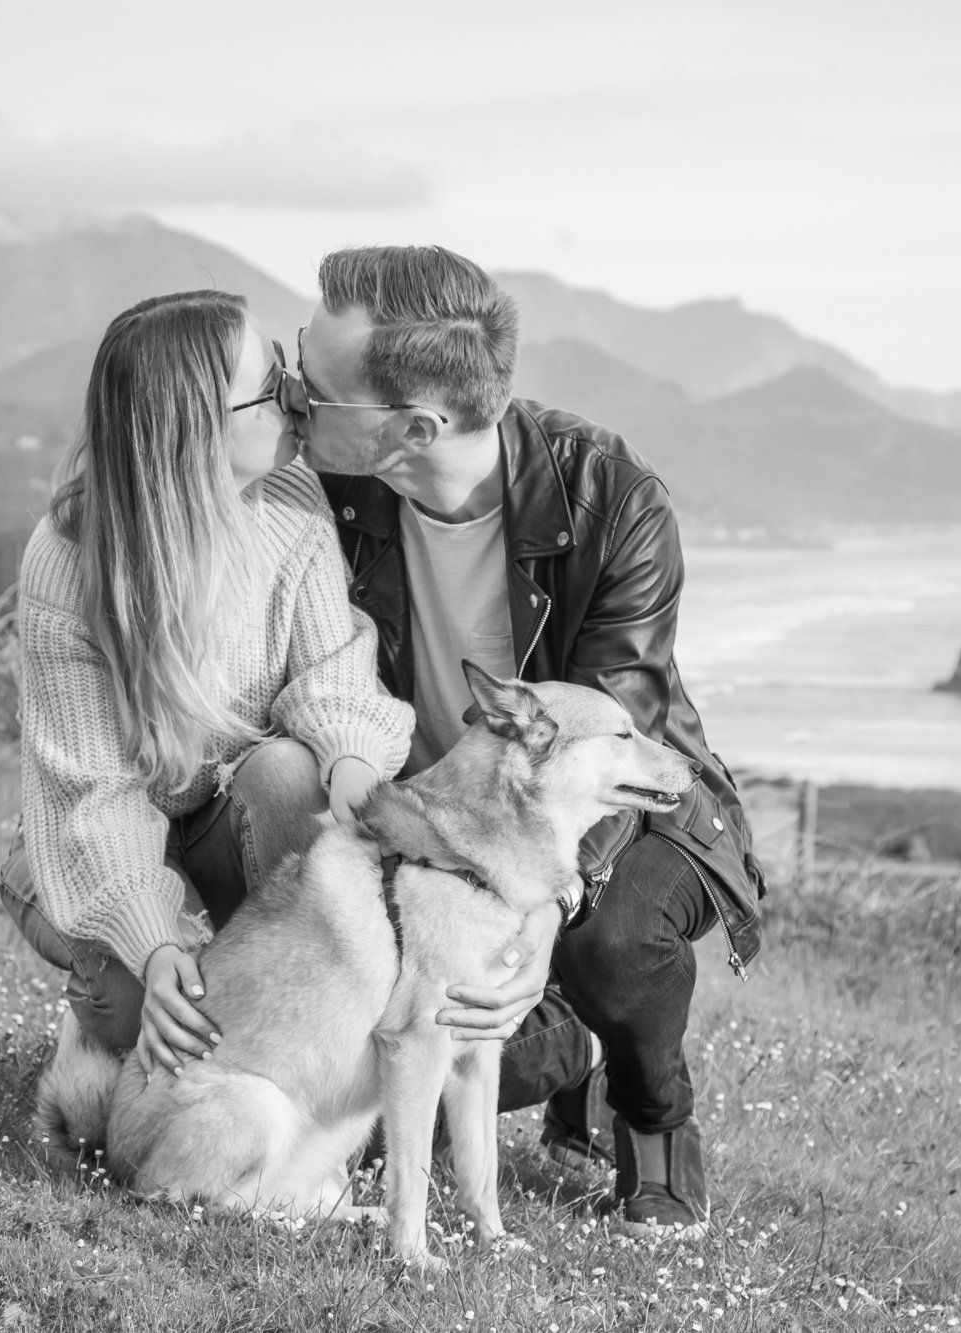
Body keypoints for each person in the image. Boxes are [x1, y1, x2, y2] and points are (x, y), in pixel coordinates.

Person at [296, 245, 767, 1239]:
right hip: (442, 821)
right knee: (401, 1063)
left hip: (624, 815)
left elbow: (601, 741)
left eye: (314, 380)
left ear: (412, 427)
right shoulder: (333, 491)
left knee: (604, 942)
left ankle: (651, 1119)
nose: (292, 392)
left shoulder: (614, 500)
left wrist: (542, 916)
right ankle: (570, 1055)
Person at [0, 290, 414, 1077]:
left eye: (286, 369)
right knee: (140, 1012)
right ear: (195, 430)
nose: (295, 396)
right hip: (85, 841)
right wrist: (155, 946)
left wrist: (352, 763)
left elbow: (331, 673)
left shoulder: (293, 501)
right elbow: (94, 792)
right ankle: (131, 986)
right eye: (270, 387)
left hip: (224, 817)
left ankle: (300, 1046)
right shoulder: (68, 558)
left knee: (295, 774)